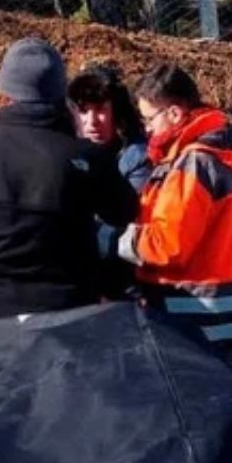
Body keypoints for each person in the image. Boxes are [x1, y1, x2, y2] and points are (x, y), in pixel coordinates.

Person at [0, 37, 136, 361]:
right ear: (60, 95)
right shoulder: (84, 157)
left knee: (2, 407)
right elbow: (125, 211)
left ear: (4, 92)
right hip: (66, 315)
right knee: (63, 408)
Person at [118, 63, 232, 365]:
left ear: (174, 113)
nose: (146, 129)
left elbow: (167, 245)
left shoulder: (194, 163)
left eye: (149, 119)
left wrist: (116, 239)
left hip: (198, 323)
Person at [68, 63, 151, 295]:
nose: (91, 122)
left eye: (101, 109)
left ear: (118, 110)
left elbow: (128, 229)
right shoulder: (66, 156)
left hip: (126, 286)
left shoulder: (139, 158)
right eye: (83, 111)